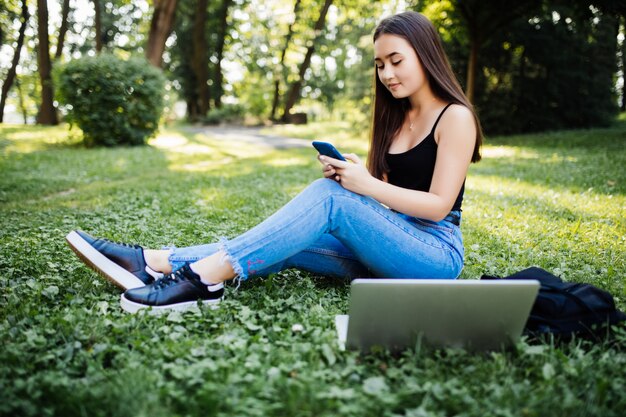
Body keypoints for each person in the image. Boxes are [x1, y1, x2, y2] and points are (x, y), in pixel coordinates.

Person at [66, 11, 482, 313]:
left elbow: (438, 205)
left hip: (433, 254)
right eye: (379, 64)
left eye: (396, 60)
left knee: (327, 199)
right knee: (286, 239)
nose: (387, 73)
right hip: (391, 246)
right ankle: (154, 263)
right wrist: (360, 176)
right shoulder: (396, 118)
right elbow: (391, 204)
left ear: (425, 55)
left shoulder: (455, 117)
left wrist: (366, 186)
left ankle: (199, 281)